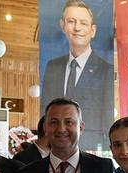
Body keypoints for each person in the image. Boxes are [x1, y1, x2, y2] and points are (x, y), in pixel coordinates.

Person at [40, 0, 114, 151]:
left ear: (92, 30)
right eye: (71, 21)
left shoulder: (106, 70)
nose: (77, 28)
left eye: (83, 23)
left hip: (91, 150)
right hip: (54, 150)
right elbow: (45, 112)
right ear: (63, 26)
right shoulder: (52, 67)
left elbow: (107, 118)